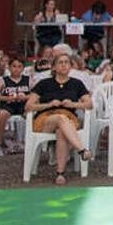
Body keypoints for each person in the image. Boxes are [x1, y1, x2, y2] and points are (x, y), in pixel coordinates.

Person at [25, 54, 92, 185]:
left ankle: (60, 174)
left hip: (68, 119)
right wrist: (49, 104)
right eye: (60, 62)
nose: (64, 65)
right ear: (54, 67)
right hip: (46, 119)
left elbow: (89, 104)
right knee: (61, 118)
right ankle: (82, 150)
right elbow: (28, 106)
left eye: (67, 62)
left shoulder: (76, 84)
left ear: (70, 66)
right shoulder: (44, 83)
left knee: (61, 131)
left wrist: (73, 104)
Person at [0, 56, 32, 155]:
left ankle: (30, 142)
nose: (16, 69)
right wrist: (7, 98)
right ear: (9, 68)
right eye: (14, 66)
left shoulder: (28, 80)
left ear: (23, 68)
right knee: (2, 114)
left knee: (31, 114)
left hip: (23, 105)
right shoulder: (3, 80)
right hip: (8, 105)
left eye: (19, 66)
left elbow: (36, 94)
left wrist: (25, 97)